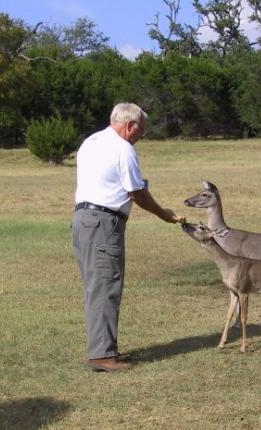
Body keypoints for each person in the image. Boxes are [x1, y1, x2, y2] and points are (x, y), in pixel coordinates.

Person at [72, 103, 185, 372]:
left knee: (96, 286)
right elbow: (137, 192)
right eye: (141, 130)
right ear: (130, 125)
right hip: (104, 222)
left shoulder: (92, 141)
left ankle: (105, 348)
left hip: (83, 220)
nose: (142, 136)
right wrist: (163, 213)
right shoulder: (123, 149)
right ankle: (101, 355)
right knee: (105, 286)